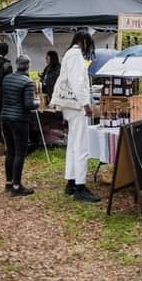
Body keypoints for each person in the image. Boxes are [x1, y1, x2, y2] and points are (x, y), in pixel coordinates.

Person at [50, 31, 100, 203]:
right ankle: (80, 186)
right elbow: (78, 82)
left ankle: (71, 182)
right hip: (76, 106)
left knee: (73, 145)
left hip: (69, 106)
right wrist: (86, 104)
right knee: (81, 146)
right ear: (84, 42)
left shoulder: (69, 54)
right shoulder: (76, 55)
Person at [1, 55, 40, 196]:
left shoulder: (7, 79)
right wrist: (38, 103)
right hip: (19, 120)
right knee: (20, 152)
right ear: (28, 65)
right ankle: (17, 186)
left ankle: (9, 182)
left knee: (10, 151)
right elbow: (29, 104)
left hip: (5, 118)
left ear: (17, 65)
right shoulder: (28, 82)